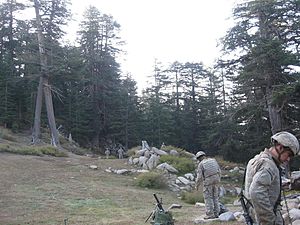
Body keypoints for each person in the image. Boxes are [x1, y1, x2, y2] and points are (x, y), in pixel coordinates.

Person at [244, 131, 299, 225]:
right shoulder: (268, 165)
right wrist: (268, 219)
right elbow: (256, 192)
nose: (288, 159)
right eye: (288, 154)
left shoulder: (259, 159)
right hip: (265, 218)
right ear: (280, 147)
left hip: (256, 214)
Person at [195, 151, 221, 219]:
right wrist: (218, 180)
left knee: (208, 197)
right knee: (215, 197)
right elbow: (219, 170)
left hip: (208, 180)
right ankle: (216, 213)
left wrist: (197, 185)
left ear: (198, 158)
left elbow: (199, 176)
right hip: (216, 179)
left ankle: (210, 214)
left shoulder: (201, 164)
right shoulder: (213, 160)